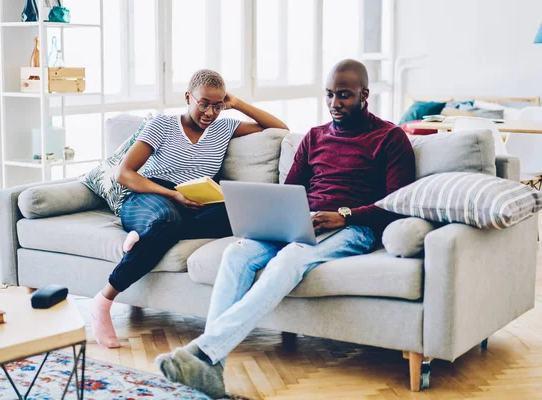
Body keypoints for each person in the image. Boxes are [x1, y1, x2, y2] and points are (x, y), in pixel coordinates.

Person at [155, 59, 417, 398]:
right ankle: (212, 369)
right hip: (300, 221)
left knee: (288, 261)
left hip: (353, 227)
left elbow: (397, 203)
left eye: (344, 96)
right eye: (329, 95)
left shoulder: (390, 138)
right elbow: (288, 191)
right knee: (237, 254)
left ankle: (203, 352)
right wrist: (278, 215)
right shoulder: (314, 137)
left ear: (365, 95)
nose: (335, 104)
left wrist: (346, 215)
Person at [91, 69, 289, 349]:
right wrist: (171, 194)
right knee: (167, 220)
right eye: (204, 103)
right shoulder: (162, 125)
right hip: (150, 195)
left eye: (217, 105)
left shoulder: (224, 127)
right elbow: (124, 174)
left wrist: (238, 104)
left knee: (239, 214)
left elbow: (279, 128)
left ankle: (146, 236)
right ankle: (104, 299)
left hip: (195, 203)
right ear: (188, 97)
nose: (210, 112)